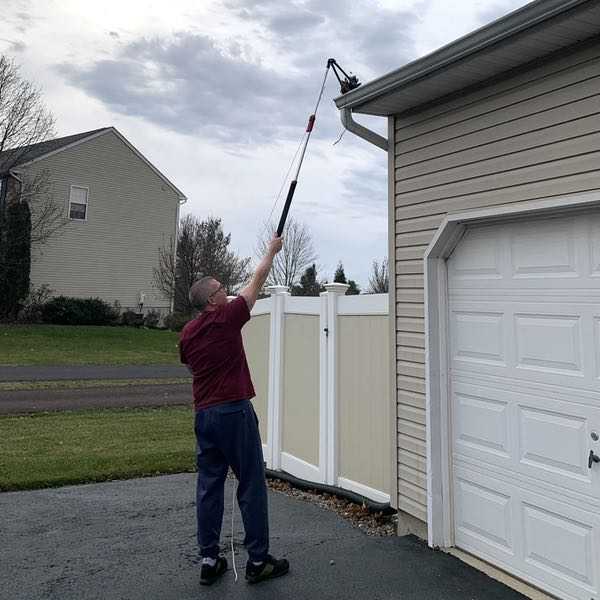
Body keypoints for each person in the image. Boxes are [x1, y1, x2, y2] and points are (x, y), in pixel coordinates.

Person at [179, 235, 289, 586]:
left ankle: (210, 560)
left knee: (209, 486)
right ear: (212, 301)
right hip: (233, 414)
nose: (226, 291)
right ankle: (258, 561)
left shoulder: (188, 334)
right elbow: (257, 279)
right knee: (251, 484)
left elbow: (192, 367)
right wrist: (271, 251)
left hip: (204, 417)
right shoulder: (227, 317)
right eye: (221, 289)